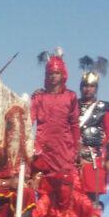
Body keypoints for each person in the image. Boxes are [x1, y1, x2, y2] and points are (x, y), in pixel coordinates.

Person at [30, 50, 80, 179]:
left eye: (57, 73)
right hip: (43, 149)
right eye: (50, 73)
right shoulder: (38, 97)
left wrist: (77, 148)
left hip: (64, 150)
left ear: (63, 74)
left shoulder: (71, 96)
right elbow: (28, 121)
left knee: (66, 184)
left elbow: (74, 124)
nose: (53, 76)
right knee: (41, 184)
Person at [75, 58, 109, 200]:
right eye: (85, 86)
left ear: (96, 88)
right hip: (73, 158)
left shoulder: (104, 108)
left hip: (93, 160)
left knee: (91, 200)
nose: (88, 89)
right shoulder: (72, 105)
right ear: (80, 87)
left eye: (92, 86)